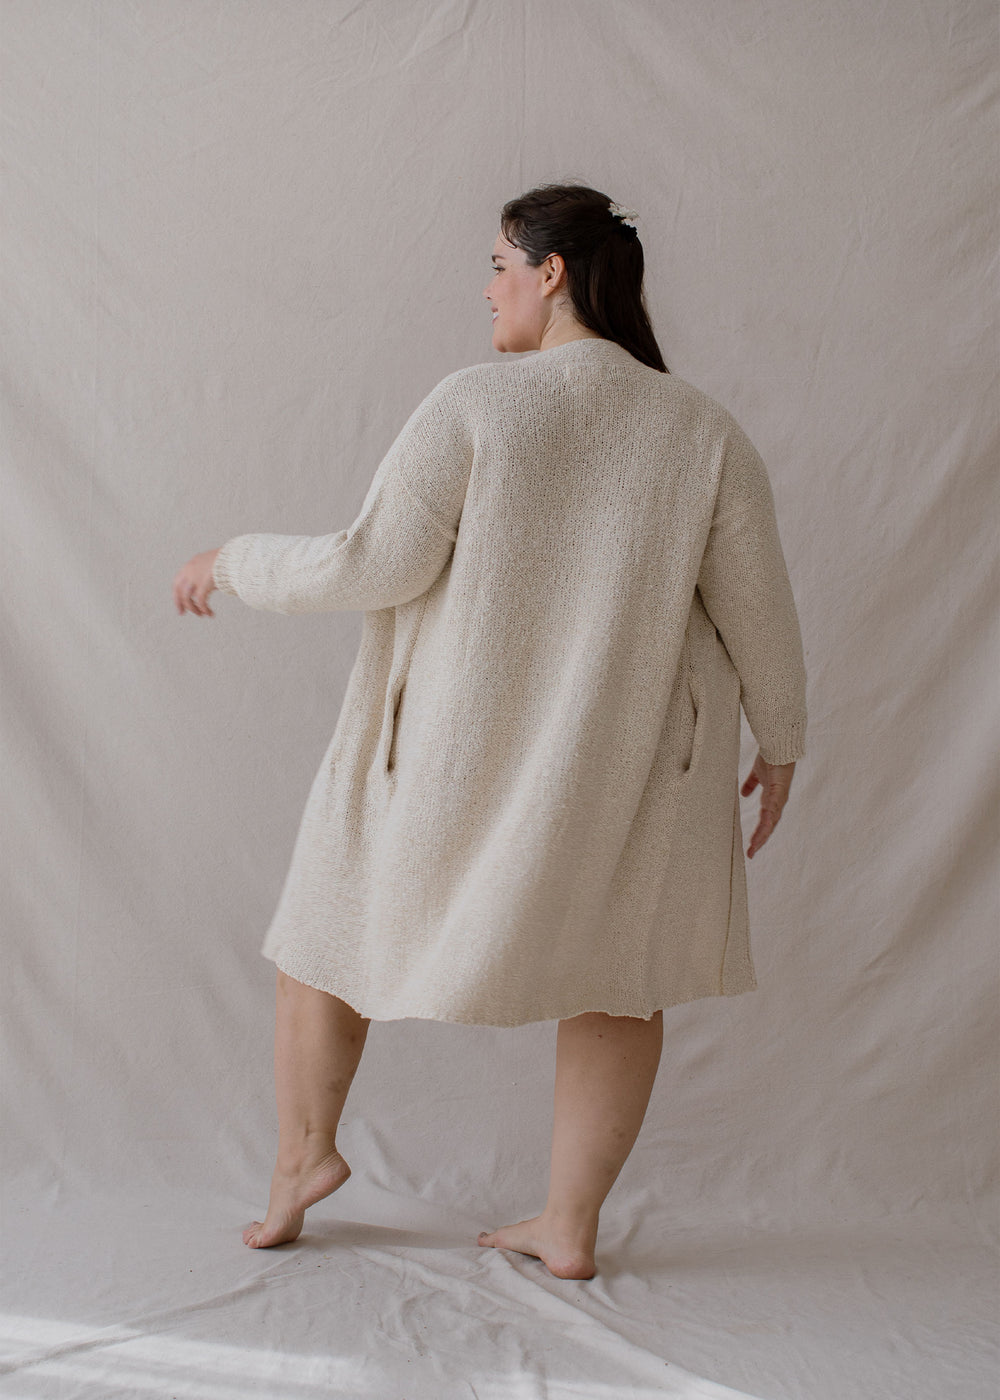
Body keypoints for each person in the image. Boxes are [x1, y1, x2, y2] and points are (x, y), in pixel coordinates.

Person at [172, 182, 807, 1281]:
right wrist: (782, 740)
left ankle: (304, 1160)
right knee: (620, 973)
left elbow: (370, 564)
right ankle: (568, 1223)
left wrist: (230, 560)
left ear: (550, 273)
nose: (487, 288)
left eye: (500, 265)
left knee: (324, 930)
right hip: (629, 771)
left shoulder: (476, 405)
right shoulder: (702, 431)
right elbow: (761, 609)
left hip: (450, 761)